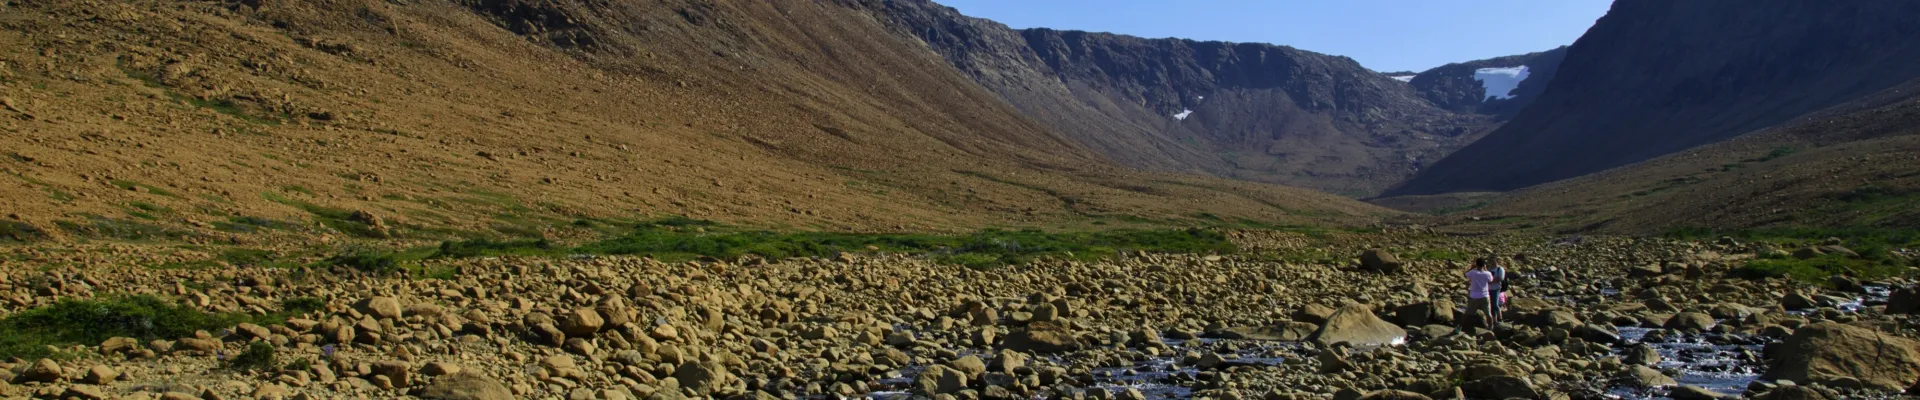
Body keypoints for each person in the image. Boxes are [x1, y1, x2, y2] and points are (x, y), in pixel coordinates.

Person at [1463, 258, 1494, 332]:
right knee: (1488, 313)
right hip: (1485, 295)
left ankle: (1461, 326)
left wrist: (1471, 267)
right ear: (1484, 265)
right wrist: (1486, 269)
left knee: (1468, 313)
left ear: (1476, 264)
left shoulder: (1473, 272)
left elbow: (1465, 274)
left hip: (1474, 296)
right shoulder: (1487, 273)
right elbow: (1491, 280)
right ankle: (1490, 327)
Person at [1488, 258, 1507, 327]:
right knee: (1492, 305)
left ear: (1497, 261)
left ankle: (1499, 318)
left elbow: (1500, 278)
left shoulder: (1500, 269)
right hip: (1489, 289)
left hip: (1496, 288)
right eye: (1491, 261)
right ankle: (1495, 320)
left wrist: (1491, 281)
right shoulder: (1490, 269)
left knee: (1495, 304)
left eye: (1494, 261)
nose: (1492, 262)